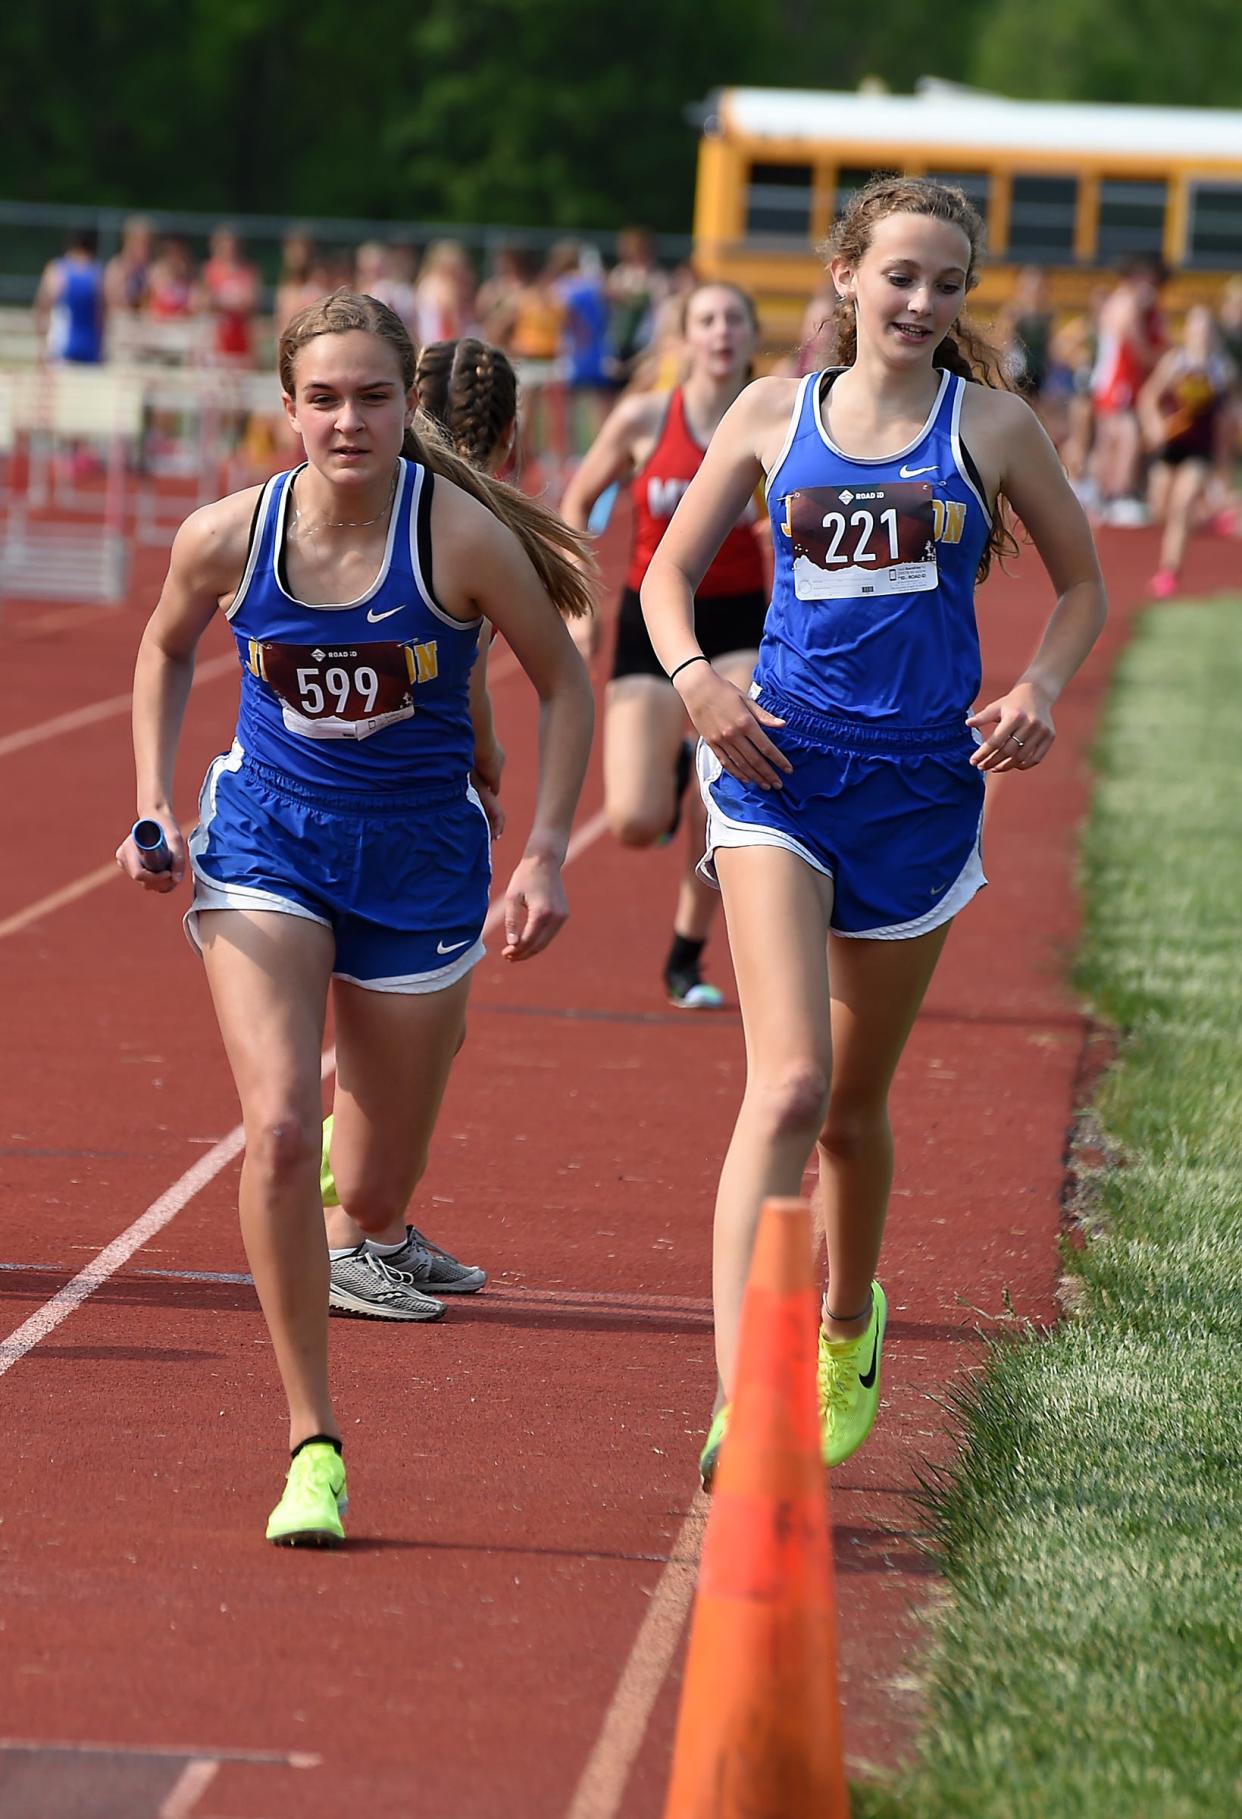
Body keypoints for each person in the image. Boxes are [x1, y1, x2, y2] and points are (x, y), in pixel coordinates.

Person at [640, 176, 1107, 1489]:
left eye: (945, 283)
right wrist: (693, 680)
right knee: (785, 1084)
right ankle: (745, 1394)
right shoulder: (770, 416)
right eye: (898, 274)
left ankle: (849, 1320)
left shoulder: (992, 426)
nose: (920, 301)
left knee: (849, 1108)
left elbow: (1082, 586)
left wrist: (1037, 687)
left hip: (916, 789)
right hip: (775, 767)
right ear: (842, 278)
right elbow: (667, 575)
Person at [116, 289, 594, 1545]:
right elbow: (165, 649)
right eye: (322, 398)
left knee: (373, 1192)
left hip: (424, 860)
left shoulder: (463, 540)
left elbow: (566, 678)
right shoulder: (227, 535)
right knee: (274, 1129)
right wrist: (153, 803)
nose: (347, 420)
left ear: (407, 405)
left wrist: (543, 851)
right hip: (269, 839)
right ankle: (311, 1444)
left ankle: (361, 1169)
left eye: (373, 396)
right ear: (287, 409)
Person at [318, 335, 521, 1316]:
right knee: (396, 1038)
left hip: (381, 799)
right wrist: (486, 758)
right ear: (513, 438)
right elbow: (470, 670)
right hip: (378, 807)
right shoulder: (458, 519)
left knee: (423, 1033)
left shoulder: (446, 510)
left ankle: (380, 1226)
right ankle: (345, 1233)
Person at [561, 283, 769, 1009]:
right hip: (653, 623)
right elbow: (576, 500)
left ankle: (686, 950)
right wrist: (579, 599)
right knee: (634, 820)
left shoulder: (775, 420)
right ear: (682, 336)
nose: (721, 331)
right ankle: (680, 762)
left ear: (750, 334)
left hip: (739, 624)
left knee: (732, 781)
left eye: (734, 317)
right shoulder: (647, 417)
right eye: (706, 319)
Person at [1138, 305, 1236, 598]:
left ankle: (1169, 572)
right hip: (1170, 446)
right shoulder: (1175, 363)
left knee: (1183, 504)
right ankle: (1210, 516)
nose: (1201, 334)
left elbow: (1226, 419)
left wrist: (1223, 460)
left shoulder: (1222, 371)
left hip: (1199, 450)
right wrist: (1154, 425)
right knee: (1160, 508)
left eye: (1206, 329)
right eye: (1196, 328)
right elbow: (1148, 397)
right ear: (1188, 332)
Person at [1090, 253, 1168, 524]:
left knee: (1113, 437)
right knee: (1126, 436)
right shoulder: (1126, 302)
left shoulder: (1140, 305)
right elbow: (1138, 347)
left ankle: (1107, 495)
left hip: (1120, 379)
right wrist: (1168, 359)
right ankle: (1115, 495)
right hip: (1116, 379)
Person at [34, 228, 106, 365]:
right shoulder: (97, 274)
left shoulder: (58, 270)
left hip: (61, 348)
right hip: (90, 349)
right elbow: (101, 316)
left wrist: (42, 345)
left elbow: (42, 306)